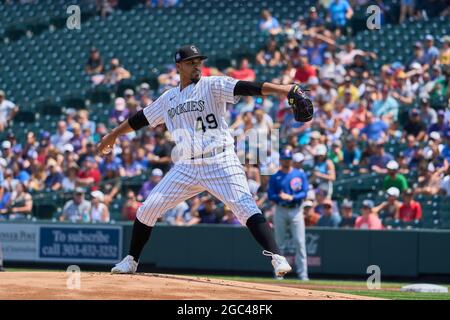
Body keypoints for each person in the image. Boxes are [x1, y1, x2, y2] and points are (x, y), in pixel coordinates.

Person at [98, 45, 311, 276]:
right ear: (178, 67)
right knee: (147, 209)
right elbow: (140, 119)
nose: (196, 65)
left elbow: (249, 87)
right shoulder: (168, 98)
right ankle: (131, 260)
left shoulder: (212, 84)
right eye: (191, 62)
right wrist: (113, 135)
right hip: (187, 166)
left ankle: (277, 257)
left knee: (245, 206)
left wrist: (285, 89)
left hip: (220, 159)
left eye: (198, 61)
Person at [268, 149, 309, 280]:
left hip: (296, 209)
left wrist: (292, 197)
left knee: (300, 242)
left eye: (288, 159)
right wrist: (281, 197)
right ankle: (279, 273)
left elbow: (304, 193)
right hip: (280, 209)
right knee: (279, 243)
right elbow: (270, 195)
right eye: (284, 159)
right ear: (280, 160)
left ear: (291, 160)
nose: (286, 161)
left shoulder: (299, 174)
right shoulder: (275, 176)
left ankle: (303, 275)